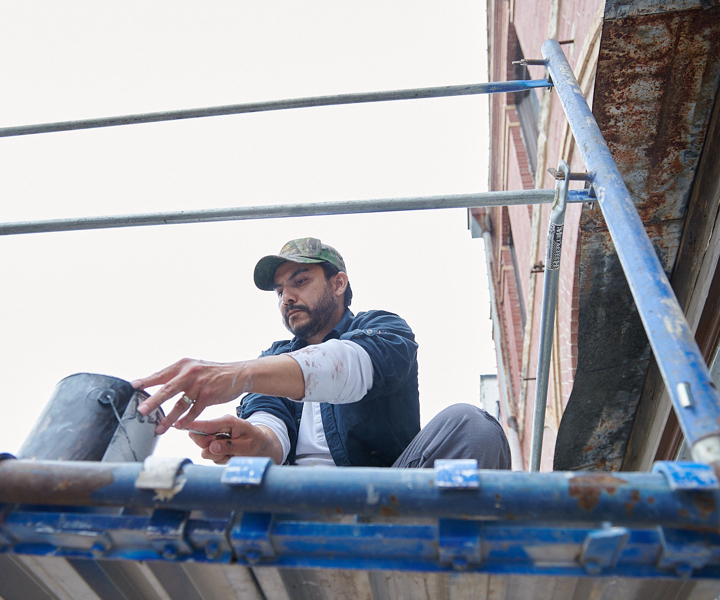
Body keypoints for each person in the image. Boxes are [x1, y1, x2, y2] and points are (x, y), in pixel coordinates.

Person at [135, 237, 511, 469]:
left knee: (472, 424)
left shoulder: (382, 327)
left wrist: (239, 374)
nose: (287, 297)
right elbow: (272, 431)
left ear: (338, 283)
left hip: (390, 499)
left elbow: (350, 367)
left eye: (300, 281)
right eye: (280, 291)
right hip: (298, 507)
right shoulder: (271, 359)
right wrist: (253, 439)